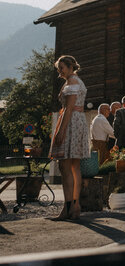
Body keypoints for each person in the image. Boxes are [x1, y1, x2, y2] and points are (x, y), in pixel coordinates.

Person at [49, 55, 89, 221]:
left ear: (70, 67)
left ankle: (68, 208)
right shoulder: (78, 81)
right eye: (59, 68)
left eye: (62, 67)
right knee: (74, 167)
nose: (60, 71)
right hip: (79, 121)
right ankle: (75, 206)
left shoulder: (72, 82)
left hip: (71, 122)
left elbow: (69, 107)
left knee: (65, 167)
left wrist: (61, 131)